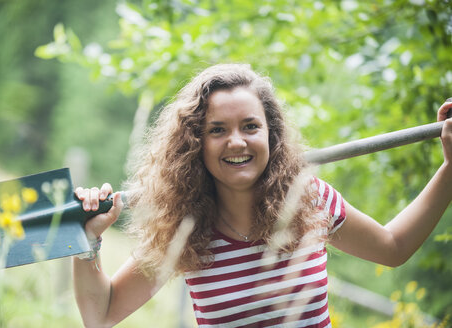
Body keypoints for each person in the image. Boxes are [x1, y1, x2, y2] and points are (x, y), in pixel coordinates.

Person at [73, 64, 452, 328]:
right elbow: (100, 315)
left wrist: (450, 169)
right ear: (195, 144)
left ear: (271, 135)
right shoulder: (182, 228)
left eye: (250, 126)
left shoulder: (309, 200)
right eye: (217, 129)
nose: (236, 141)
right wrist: (87, 238)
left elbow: (393, 247)